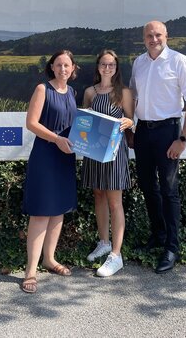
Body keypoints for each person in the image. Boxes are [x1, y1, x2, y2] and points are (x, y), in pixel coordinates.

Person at [130, 20, 186, 273]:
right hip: (143, 132)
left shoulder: (180, 62)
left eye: (158, 34)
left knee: (169, 190)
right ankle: (158, 236)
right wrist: (130, 129)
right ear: (143, 38)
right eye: (149, 35)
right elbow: (132, 97)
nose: (153, 38)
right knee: (149, 187)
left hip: (168, 132)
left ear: (166, 35)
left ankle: (172, 246)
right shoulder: (138, 63)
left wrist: (182, 139)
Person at [21, 50, 79, 293]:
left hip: (66, 157)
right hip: (46, 156)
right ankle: (31, 271)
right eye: (58, 65)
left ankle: (50, 259)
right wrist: (56, 139)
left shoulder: (74, 92)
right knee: (41, 212)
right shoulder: (43, 89)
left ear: (73, 68)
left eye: (67, 65)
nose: (63, 69)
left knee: (58, 211)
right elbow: (31, 123)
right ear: (52, 68)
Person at [81, 49, 134, 277]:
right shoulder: (90, 92)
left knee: (115, 202)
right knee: (99, 195)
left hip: (114, 152)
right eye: (103, 64)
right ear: (98, 66)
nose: (107, 68)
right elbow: (85, 120)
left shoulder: (124, 92)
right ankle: (103, 242)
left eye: (111, 65)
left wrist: (128, 121)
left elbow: (131, 120)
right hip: (94, 150)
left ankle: (116, 254)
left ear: (116, 67)